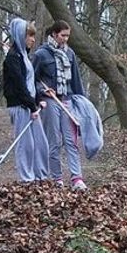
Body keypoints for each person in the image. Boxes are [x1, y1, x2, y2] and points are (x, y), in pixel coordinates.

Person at [33, 20, 88, 190]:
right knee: (54, 141)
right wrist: (42, 91)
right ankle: (57, 178)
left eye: (67, 36)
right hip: (50, 101)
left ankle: (76, 178)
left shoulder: (70, 54)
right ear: (54, 34)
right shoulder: (41, 54)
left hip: (68, 100)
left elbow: (76, 81)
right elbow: (32, 81)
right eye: (63, 35)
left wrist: (81, 102)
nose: (65, 39)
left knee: (71, 140)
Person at [2, 18, 48, 182]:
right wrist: (32, 106)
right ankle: (27, 179)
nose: (33, 39)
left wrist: (38, 100)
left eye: (33, 36)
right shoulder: (13, 58)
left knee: (41, 143)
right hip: (20, 106)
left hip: (29, 105)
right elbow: (20, 86)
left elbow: (31, 83)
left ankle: (40, 177)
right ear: (21, 36)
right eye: (29, 36)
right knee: (26, 145)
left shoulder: (25, 57)